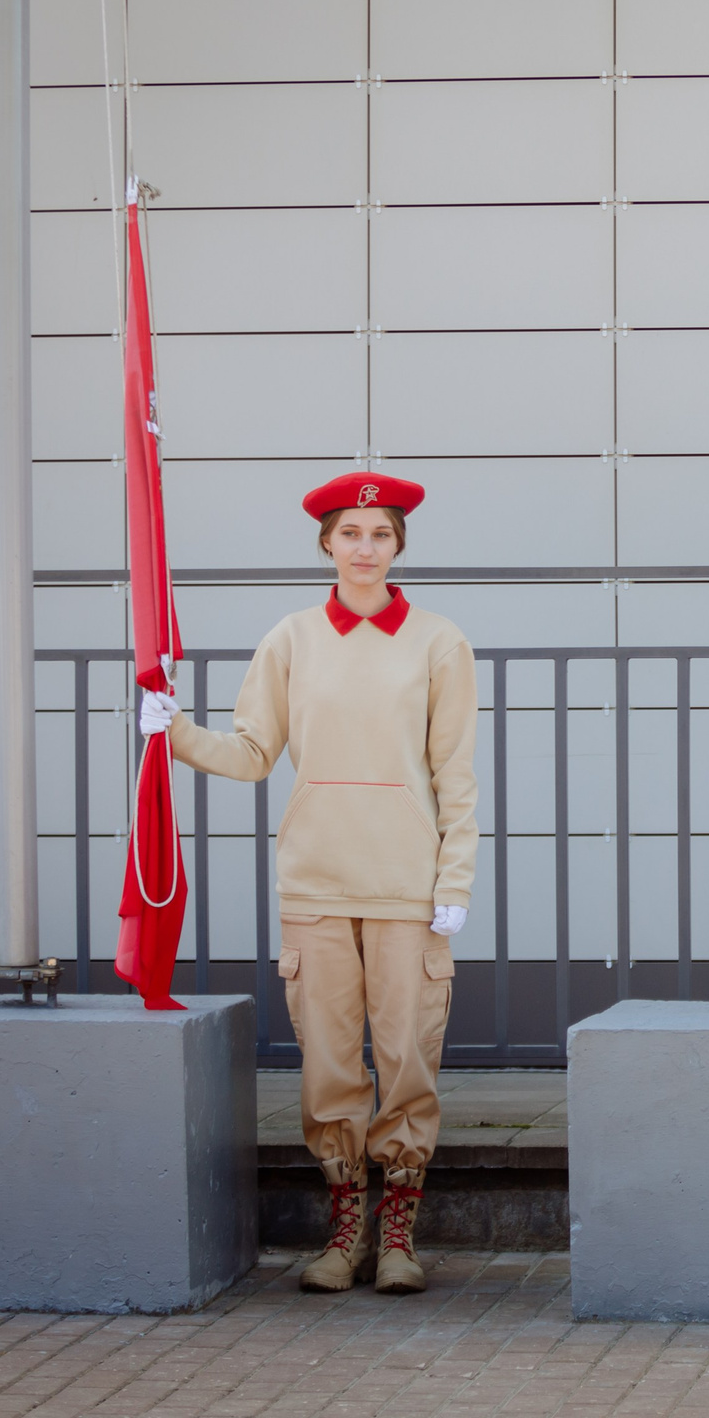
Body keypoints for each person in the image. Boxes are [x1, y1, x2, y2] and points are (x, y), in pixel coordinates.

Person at [140, 471, 476, 1294]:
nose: (365, 547)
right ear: (326, 542)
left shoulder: (438, 641)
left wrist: (455, 876)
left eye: (381, 533)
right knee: (329, 1066)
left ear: (399, 544)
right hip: (316, 883)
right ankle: (345, 1232)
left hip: (406, 886)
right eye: (350, 532)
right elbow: (253, 752)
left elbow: (455, 773)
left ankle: (398, 1238)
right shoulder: (290, 639)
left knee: (406, 1062)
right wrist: (174, 733)